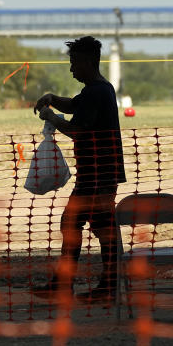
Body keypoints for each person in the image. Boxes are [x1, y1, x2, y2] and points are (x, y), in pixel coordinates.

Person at [32, 36, 126, 303]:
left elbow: (78, 132)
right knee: (95, 225)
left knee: (82, 224)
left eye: (74, 63)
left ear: (86, 62)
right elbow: (75, 105)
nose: (71, 69)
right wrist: (52, 99)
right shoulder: (99, 89)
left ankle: (96, 286)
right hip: (99, 172)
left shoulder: (96, 91)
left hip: (98, 172)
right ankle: (101, 284)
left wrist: (52, 117)